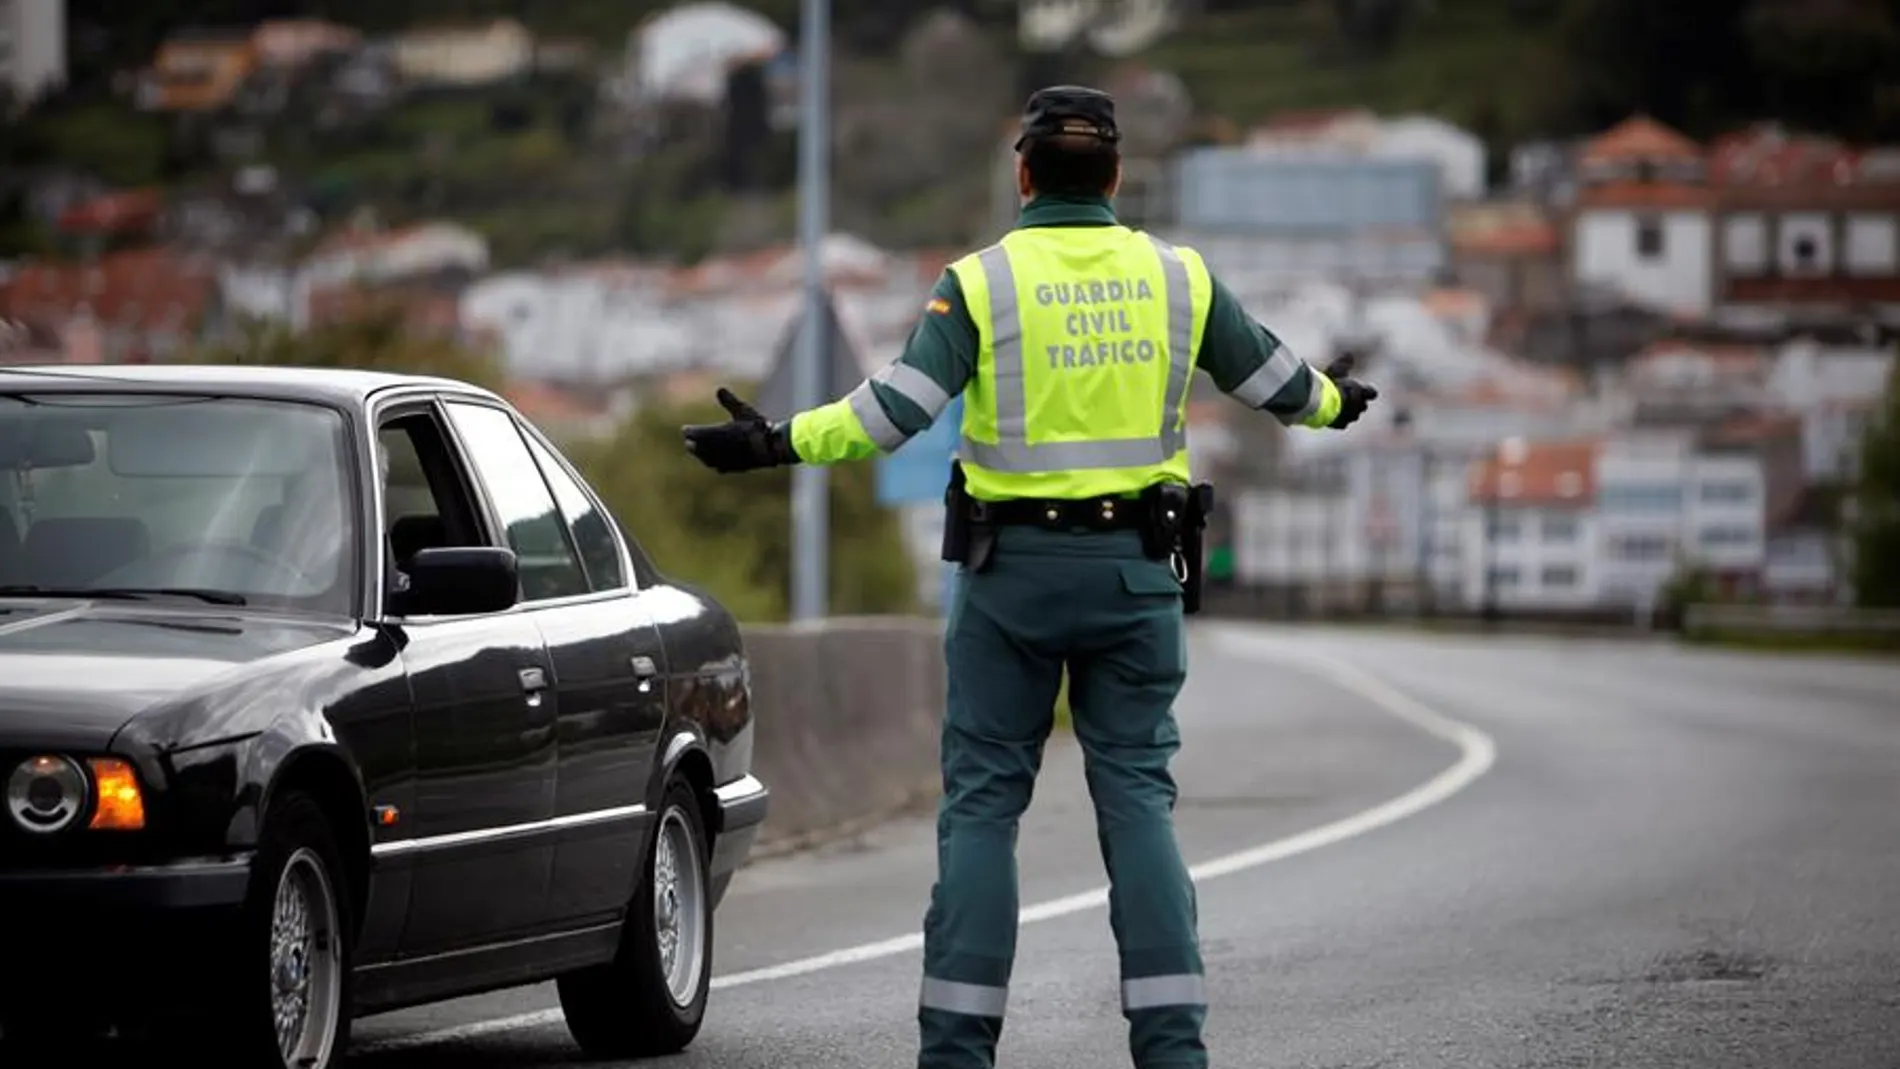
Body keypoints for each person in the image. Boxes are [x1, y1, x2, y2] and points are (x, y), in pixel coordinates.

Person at [681, 85, 1379, 1069]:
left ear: (1022, 175)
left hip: (1010, 581)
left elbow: (894, 411)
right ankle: (1172, 1047)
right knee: (1135, 798)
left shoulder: (981, 283)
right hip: (1137, 578)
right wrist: (1335, 399)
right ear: (1116, 176)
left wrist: (772, 443)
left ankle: (958, 1050)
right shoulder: (1177, 279)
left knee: (981, 806)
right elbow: (1277, 382)